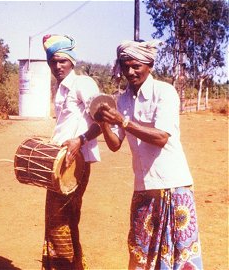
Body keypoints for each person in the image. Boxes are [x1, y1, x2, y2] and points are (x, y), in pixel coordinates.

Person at [97, 39, 203, 269]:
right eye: (125, 66)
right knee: (140, 253)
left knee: (178, 254)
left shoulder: (164, 92)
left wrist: (123, 121)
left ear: (150, 65)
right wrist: (103, 122)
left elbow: (161, 137)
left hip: (173, 185)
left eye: (136, 66)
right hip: (144, 186)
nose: (130, 71)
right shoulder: (122, 100)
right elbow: (115, 144)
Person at [42, 34, 102, 270]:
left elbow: (103, 121)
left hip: (76, 164)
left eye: (62, 61)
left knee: (61, 221)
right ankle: (73, 265)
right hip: (60, 163)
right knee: (61, 219)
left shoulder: (83, 84)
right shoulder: (60, 88)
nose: (57, 66)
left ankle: (67, 265)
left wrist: (81, 139)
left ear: (72, 62)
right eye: (53, 62)